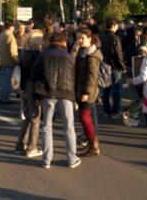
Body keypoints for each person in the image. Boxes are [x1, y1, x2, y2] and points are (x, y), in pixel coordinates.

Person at [33, 32, 81, 169]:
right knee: (69, 127)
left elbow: (36, 75)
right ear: (64, 42)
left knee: (47, 127)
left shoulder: (43, 55)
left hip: (48, 93)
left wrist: (37, 96)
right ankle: (72, 158)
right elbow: (74, 78)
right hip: (66, 94)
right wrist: (75, 98)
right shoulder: (69, 57)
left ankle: (46, 160)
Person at [14, 29, 44, 157]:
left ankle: (20, 144)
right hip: (33, 89)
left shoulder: (23, 54)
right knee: (35, 119)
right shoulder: (38, 56)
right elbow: (37, 75)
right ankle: (31, 147)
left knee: (26, 118)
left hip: (24, 88)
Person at [75, 28, 102, 156]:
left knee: (84, 116)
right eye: (78, 38)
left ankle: (94, 145)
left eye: (82, 38)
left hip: (87, 92)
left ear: (90, 39)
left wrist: (86, 93)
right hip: (81, 89)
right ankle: (92, 144)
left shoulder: (92, 56)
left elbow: (92, 77)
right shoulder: (83, 52)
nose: (79, 40)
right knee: (84, 116)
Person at [100, 18, 126, 118]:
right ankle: (115, 111)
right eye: (117, 25)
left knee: (106, 89)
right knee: (117, 89)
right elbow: (118, 54)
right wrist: (123, 66)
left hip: (104, 64)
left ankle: (106, 111)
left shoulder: (101, 36)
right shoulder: (115, 37)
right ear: (114, 25)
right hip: (115, 65)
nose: (118, 27)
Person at [0, 21, 19, 103]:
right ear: (11, 27)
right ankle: (5, 98)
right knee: (8, 82)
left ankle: (2, 97)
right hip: (9, 62)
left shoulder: (1, 35)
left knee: (4, 81)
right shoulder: (10, 36)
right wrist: (17, 61)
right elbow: (12, 51)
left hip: (2, 60)